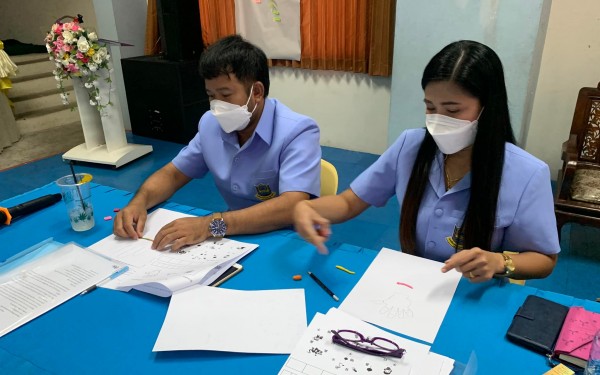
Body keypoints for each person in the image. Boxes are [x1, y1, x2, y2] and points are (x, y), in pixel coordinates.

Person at [293, 40, 560, 282]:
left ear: (487, 108)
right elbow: (349, 202)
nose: (438, 119)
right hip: (411, 284)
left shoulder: (526, 173)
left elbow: (545, 259)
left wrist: (500, 262)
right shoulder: (410, 146)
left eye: (452, 110)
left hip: (472, 291)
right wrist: (310, 209)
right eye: (430, 107)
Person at [114, 35, 321, 250]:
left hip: (285, 241)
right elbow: (173, 174)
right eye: (211, 95)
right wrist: (139, 202)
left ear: (256, 92)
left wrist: (210, 226)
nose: (217, 105)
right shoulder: (210, 124)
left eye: (225, 94)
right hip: (234, 235)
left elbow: (292, 205)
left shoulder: (298, 131)